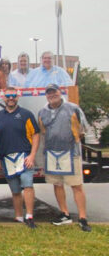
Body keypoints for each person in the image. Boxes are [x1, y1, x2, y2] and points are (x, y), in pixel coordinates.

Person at [38, 84, 91, 232]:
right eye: (48, 93)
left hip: (71, 153)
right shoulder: (42, 112)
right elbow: (43, 132)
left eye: (54, 92)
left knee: (76, 185)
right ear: (46, 95)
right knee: (57, 184)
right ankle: (64, 214)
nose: (52, 95)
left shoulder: (73, 108)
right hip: (52, 154)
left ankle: (82, 217)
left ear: (60, 92)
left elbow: (83, 129)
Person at [0, 87, 40, 229]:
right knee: (15, 190)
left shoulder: (26, 114)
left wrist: (32, 155)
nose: (11, 98)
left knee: (28, 185)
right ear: (3, 98)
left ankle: (29, 216)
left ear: (17, 97)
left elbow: (36, 134)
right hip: (7, 158)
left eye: (13, 95)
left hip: (24, 156)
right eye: (8, 96)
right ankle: (18, 216)